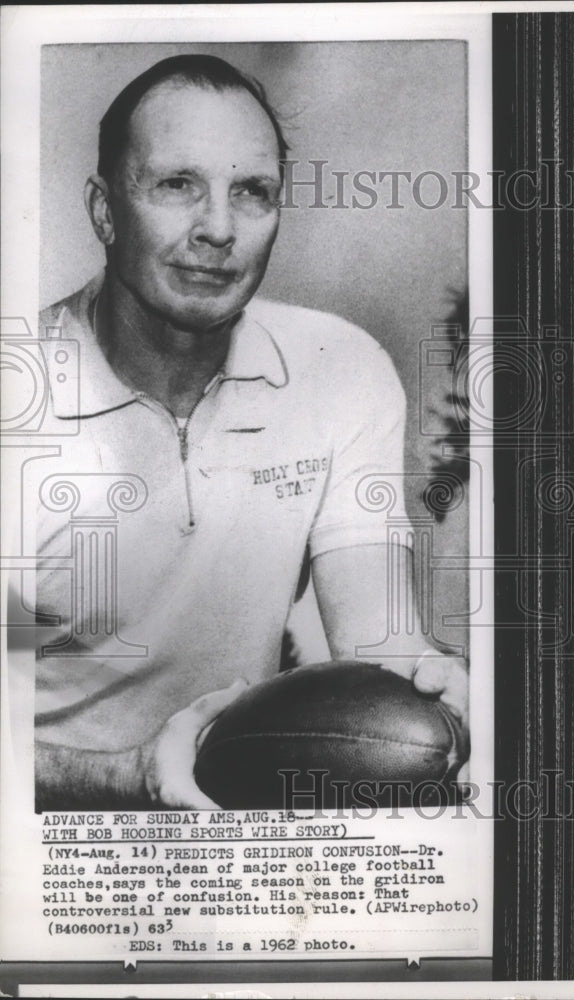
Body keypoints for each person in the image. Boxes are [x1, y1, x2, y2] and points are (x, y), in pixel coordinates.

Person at [34, 54, 468, 810]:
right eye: (177, 185)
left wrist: (431, 686)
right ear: (104, 210)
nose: (218, 229)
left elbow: (376, 641)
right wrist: (131, 773)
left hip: (242, 814)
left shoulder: (339, 368)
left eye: (252, 193)